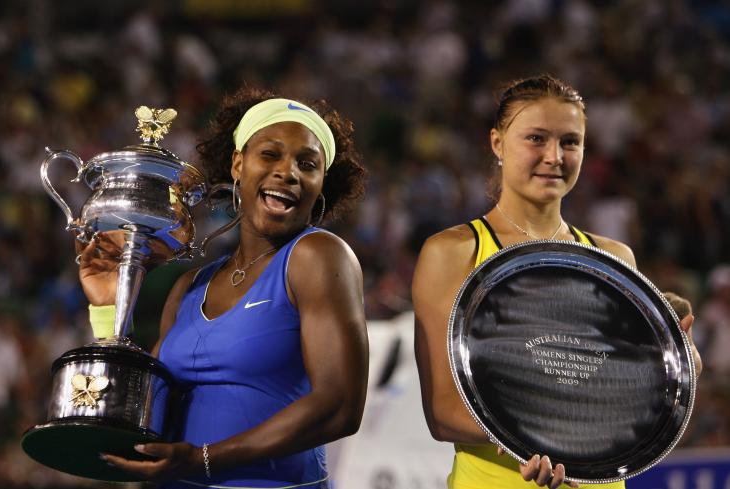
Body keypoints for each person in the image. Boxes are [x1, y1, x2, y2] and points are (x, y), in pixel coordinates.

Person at [412, 74, 702, 489]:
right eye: (536, 138)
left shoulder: (615, 258)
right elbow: (443, 412)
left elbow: (623, 398)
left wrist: (674, 375)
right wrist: (544, 440)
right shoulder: (452, 252)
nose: (554, 156)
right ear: (497, 143)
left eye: (570, 142)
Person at [78, 88, 369, 488]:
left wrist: (204, 460)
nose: (289, 172)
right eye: (270, 154)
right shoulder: (188, 286)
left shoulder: (318, 256)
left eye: (308, 164)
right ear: (238, 165)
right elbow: (147, 410)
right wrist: (111, 311)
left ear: (320, 184)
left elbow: (340, 406)